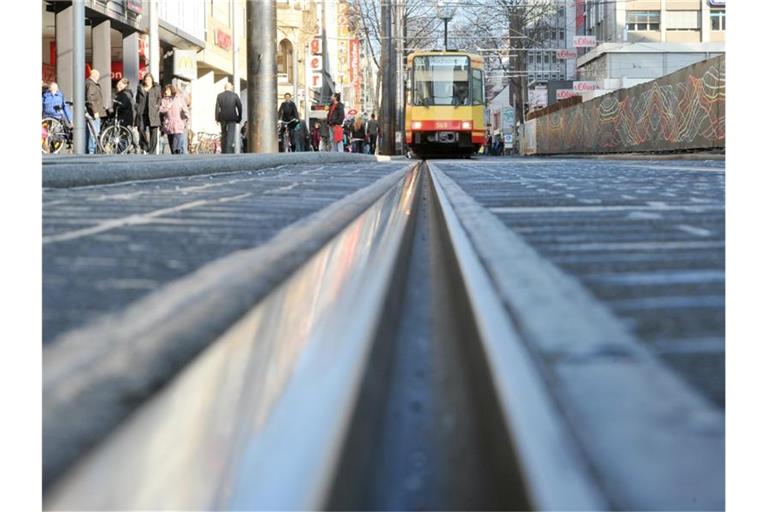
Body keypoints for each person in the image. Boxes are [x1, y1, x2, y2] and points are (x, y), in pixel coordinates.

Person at [159, 84, 190, 155]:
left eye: (168, 90)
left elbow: (185, 109)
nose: (166, 92)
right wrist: (167, 107)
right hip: (169, 124)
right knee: (171, 142)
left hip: (178, 124)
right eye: (165, 90)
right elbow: (161, 110)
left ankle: (177, 154)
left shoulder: (179, 99)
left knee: (176, 144)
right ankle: (174, 155)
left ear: (171, 91)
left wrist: (187, 118)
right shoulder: (164, 100)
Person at [135, 73, 162, 154]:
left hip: (153, 112)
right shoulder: (140, 88)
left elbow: (159, 98)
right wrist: (137, 107)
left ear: (152, 80)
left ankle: (152, 150)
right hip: (142, 112)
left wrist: (157, 106)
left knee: (153, 132)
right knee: (141, 129)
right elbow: (137, 99)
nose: (147, 81)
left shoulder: (156, 88)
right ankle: (145, 146)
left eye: (149, 79)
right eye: (146, 79)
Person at [215, 82, 242, 153]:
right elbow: (239, 107)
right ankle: (229, 151)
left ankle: (223, 151)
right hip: (232, 118)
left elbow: (217, 108)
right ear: (231, 88)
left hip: (222, 117)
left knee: (223, 134)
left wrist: (216, 118)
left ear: (225, 88)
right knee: (230, 135)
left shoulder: (219, 96)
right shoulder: (235, 95)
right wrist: (239, 118)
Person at [85, 69, 106, 154]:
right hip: (93, 113)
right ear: (94, 75)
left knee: (89, 132)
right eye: (98, 76)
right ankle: (91, 151)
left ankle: (88, 151)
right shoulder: (91, 84)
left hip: (91, 112)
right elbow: (91, 99)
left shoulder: (88, 83)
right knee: (94, 132)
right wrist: (95, 111)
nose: (98, 77)